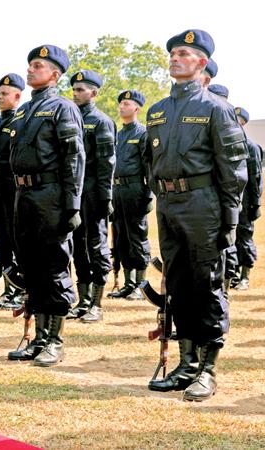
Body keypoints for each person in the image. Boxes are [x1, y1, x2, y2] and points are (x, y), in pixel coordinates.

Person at [144, 29, 247, 401]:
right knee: (179, 282)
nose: (175, 57)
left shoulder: (215, 109)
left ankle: (208, 368)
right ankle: (186, 363)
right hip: (169, 205)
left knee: (207, 285)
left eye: (184, 53)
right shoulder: (157, 110)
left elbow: (234, 168)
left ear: (201, 63)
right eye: (172, 52)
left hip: (203, 204)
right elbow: (149, 163)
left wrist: (230, 219)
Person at [7, 45, 85, 365]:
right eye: (29, 65)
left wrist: (72, 205)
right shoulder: (24, 111)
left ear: (54, 74)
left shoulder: (62, 108)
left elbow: (74, 158)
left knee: (53, 266)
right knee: (31, 267)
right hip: (24, 196)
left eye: (37, 66)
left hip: (51, 195)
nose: (30, 70)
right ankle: (38, 336)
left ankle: (55, 338)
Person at [66, 70, 116, 323]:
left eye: (81, 90)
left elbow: (107, 163)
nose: (75, 94)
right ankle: (83, 299)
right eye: (74, 90)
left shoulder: (101, 121)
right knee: (77, 244)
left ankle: (96, 302)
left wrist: (106, 198)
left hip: (94, 192)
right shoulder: (70, 118)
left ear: (94, 93)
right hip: (75, 193)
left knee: (96, 245)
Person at [107, 90, 152, 301]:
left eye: (126, 104)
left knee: (137, 237)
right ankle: (128, 282)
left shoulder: (143, 134)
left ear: (136, 108)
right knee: (121, 238)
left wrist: (148, 196)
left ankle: (140, 285)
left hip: (135, 189)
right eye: (121, 104)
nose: (121, 107)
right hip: (116, 191)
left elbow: (149, 168)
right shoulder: (118, 134)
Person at [0, 73, 25, 309]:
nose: (0, 97)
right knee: (1, 238)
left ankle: (20, 289)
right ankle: (9, 289)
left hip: (12, 184)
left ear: (17, 96)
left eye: (5, 94)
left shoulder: (20, 120)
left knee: (16, 237)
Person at [231, 106, 262, 290]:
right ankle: (233, 272)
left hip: (246, 200)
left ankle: (244, 276)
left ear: (242, 123)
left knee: (244, 236)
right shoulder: (227, 144)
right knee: (230, 237)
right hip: (230, 199)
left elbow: (256, 177)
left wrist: (256, 203)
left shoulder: (250, 146)